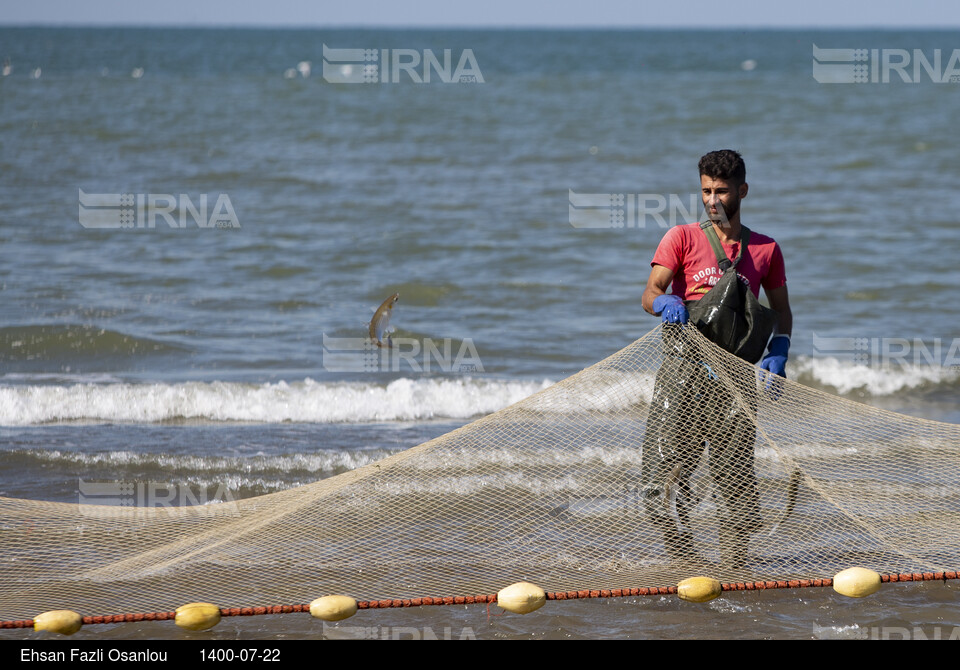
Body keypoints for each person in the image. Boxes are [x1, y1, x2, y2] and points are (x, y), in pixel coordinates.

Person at [639, 149, 793, 565]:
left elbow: (781, 311)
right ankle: (685, 565)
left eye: (721, 191)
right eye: (706, 190)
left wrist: (779, 349)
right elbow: (648, 294)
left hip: (737, 381)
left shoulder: (765, 249)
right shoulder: (681, 238)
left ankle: (733, 569)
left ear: (742, 190)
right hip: (683, 374)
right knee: (664, 476)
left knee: (737, 484)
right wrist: (663, 303)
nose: (712, 200)